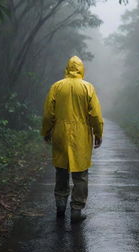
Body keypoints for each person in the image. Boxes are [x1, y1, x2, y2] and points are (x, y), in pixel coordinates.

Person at [41, 56, 104, 222]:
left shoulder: (57, 86)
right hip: (81, 135)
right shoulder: (87, 87)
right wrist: (98, 133)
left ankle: (60, 205)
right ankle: (76, 209)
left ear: (67, 68)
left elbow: (48, 113)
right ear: (82, 69)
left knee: (61, 170)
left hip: (60, 133)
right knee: (80, 174)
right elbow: (95, 115)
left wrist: (46, 131)